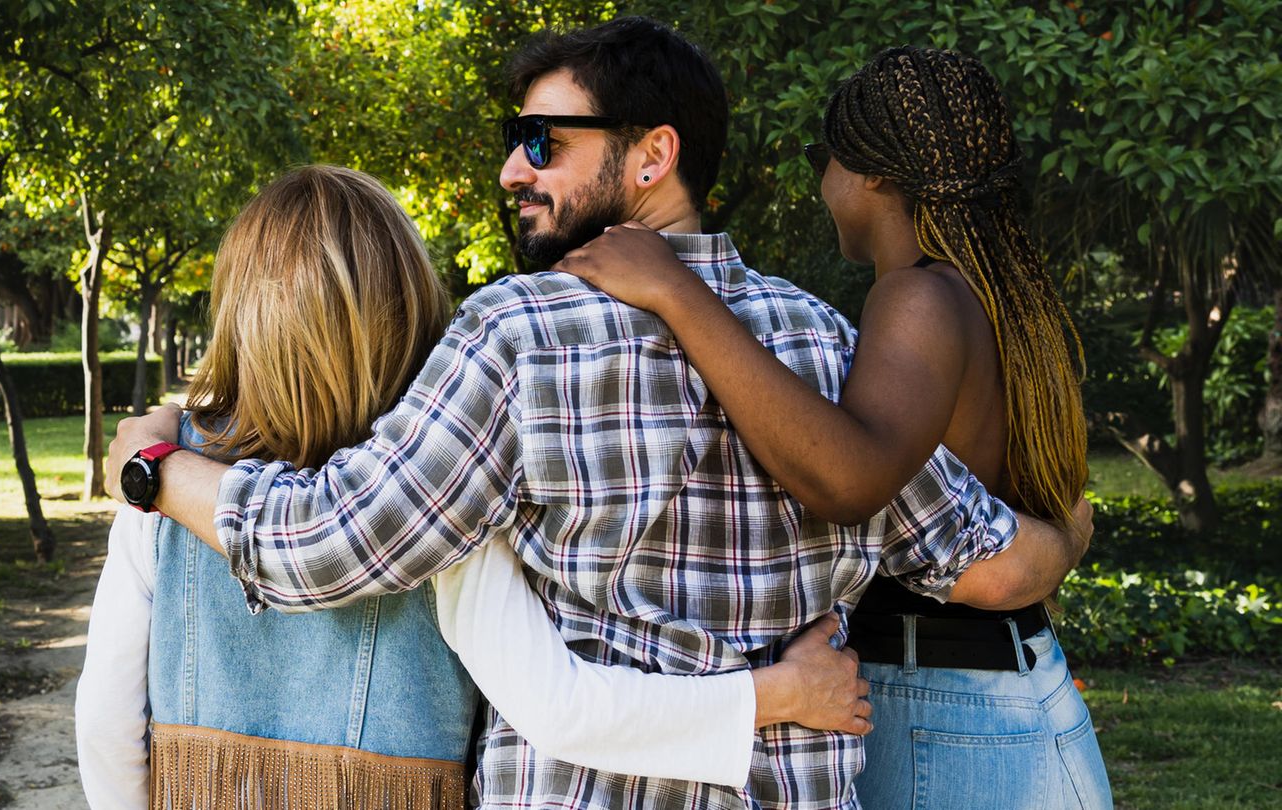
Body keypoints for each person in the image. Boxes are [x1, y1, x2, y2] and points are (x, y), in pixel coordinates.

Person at [105, 19, 1091, 808]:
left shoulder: (516, 337)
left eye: (544, 142)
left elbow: (327, 545)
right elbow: (987, 561)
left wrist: (155, 465)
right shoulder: (823, 342)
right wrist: (1072, 530)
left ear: (652, 154)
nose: (512, 171)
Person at [74, 165, 869, 809]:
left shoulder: (166, 491)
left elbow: (107, 727)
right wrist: (777, 694)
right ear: (406, 306)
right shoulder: (449, 490)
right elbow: (559, 707)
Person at [553, 46, 1112, 808]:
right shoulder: (996, 293)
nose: (822, 185)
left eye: (825, 159)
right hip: (1002, 694)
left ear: (873, 174)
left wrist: (678, 290)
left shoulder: (917, 296)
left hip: (939, 708)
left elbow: (849, 476)